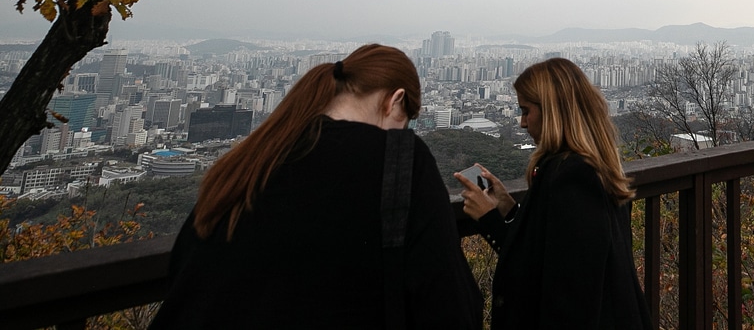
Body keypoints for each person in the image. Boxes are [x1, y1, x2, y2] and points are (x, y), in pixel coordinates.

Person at [152, 44, 482, 330]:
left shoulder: (251, 159)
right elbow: (450, 304)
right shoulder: (400, 157)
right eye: (405, 119)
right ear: (395, 102)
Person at [458, 56, 650, 330]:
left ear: (551, 111)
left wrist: (489, 219)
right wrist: (509, 210)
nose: (523, 123)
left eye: (526, 111)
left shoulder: (573, 177)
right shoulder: (591, 166)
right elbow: (551, 248)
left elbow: (562, 286)